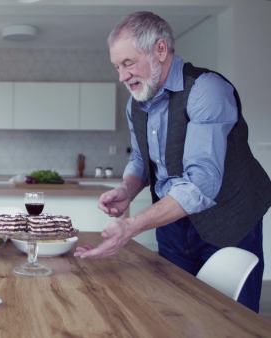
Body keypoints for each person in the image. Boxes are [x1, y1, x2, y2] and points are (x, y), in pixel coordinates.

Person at [74, 11, 271, 312]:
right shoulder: (136, 102)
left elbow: (201, 181)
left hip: (229, 219)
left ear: (161, 50)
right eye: (117, 66)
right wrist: (127, 189)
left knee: (232, 319)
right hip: (173, 225)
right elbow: (142, 158)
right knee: (175, 311)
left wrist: (131, 227)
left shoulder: (207, 89)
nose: (122, 76)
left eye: (128, 63)